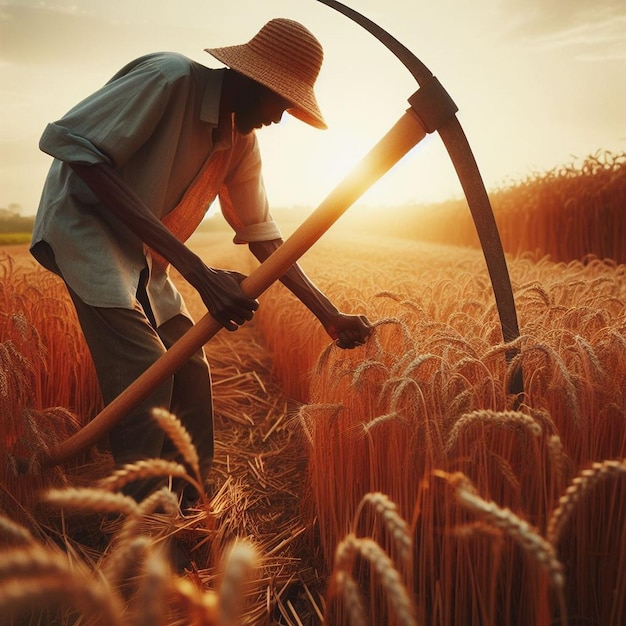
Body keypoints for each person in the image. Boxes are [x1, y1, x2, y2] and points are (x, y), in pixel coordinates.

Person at [31, 18, 372, 502]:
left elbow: (265, 239)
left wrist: (328, 315)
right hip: (84, 227)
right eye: (280, 102)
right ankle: (148, 523)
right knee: (144, 368)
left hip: (144, 252)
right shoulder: (168, 79)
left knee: (190, 368)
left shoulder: (241, 144)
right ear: (253, 79)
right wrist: (198, 271)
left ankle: (193, 508)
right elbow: (76, 151)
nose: (279, 118)